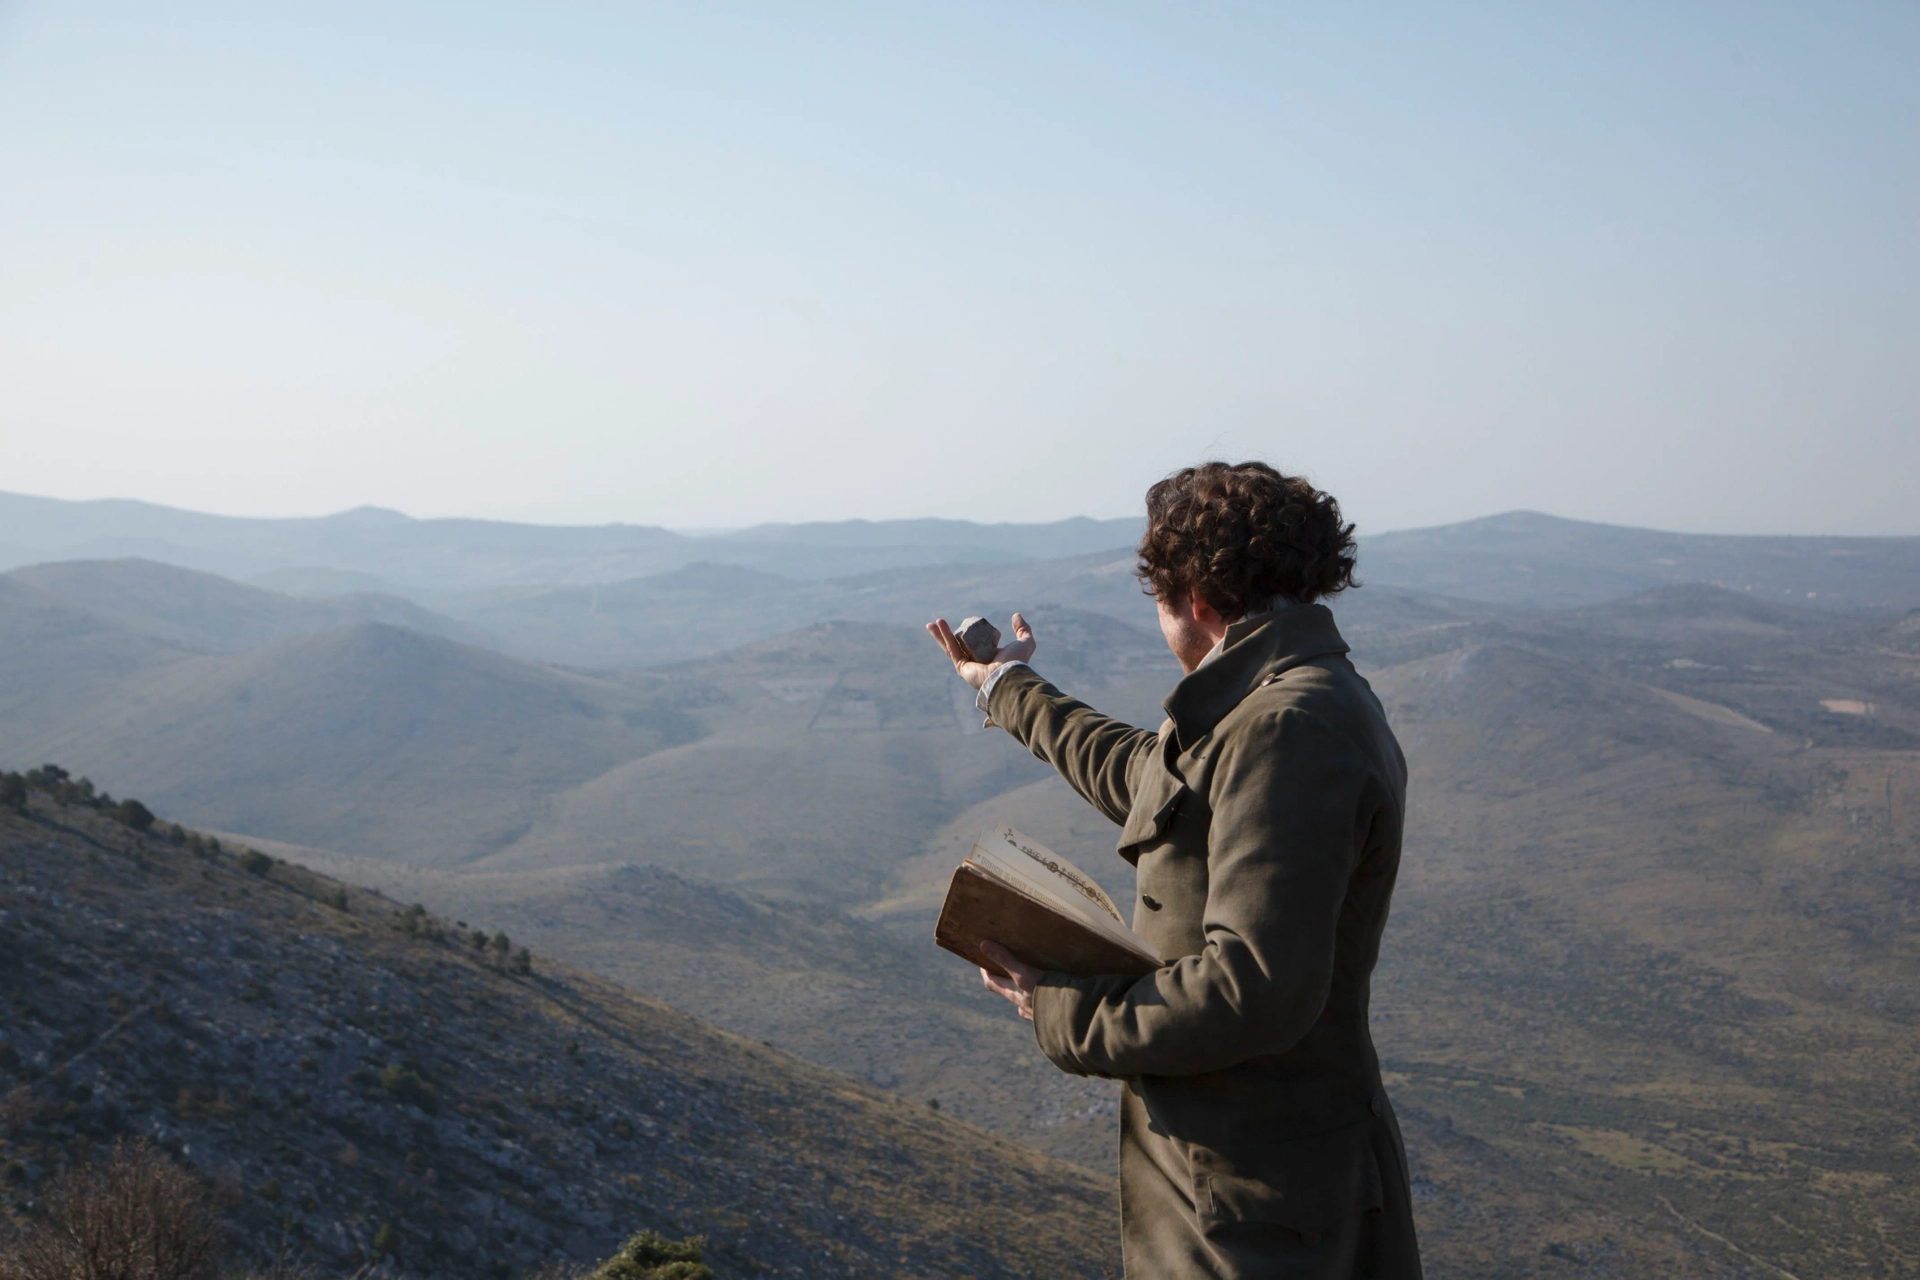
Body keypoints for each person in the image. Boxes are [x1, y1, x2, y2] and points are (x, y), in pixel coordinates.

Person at [926, 461, 1422, 1279]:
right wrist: (1005, 685)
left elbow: (1253, 988)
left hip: (1257, 1207)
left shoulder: (1287, 727)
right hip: (1246, 1183)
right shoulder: (1269, 702)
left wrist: (1060, 1009)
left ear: (1194, 596)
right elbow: (1146, 779)